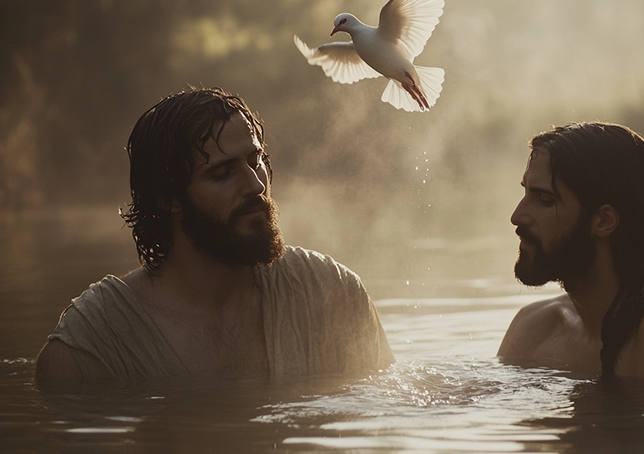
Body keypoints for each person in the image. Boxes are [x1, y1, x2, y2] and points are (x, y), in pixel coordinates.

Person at [35, 87, 393, 391]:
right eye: (222, 174)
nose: (255, 184)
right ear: (169, 199)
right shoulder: (94, 344)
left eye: (256, 161)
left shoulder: (332, 296)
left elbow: (386, 416)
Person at [498, 122, 644, 382]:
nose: (517, 216)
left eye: (544, 200)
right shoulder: (533, 327)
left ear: (604, 221)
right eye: (525, 193)